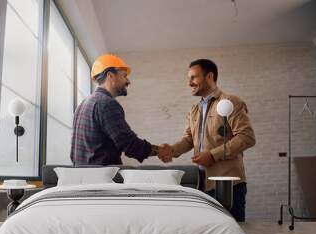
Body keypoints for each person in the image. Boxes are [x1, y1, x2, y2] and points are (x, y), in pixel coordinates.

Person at [158, 59, 255, 222]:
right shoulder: (194, 110)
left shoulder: (231, 102)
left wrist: (212, 155)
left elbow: (247, 137)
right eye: (189, 78)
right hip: (202, 184)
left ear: (209, 76)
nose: (189, 83)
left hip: (228, 185)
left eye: (193, 78)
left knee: (233, 233)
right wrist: (172, 150)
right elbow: (189, 139)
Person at [71, 54, 170, 165]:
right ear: (110, 76)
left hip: (81, 178)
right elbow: (129, 143)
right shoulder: (106, 104)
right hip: (102, 179)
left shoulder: (82, 105)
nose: (128, 81)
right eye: (124, 76)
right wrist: (159, 150)